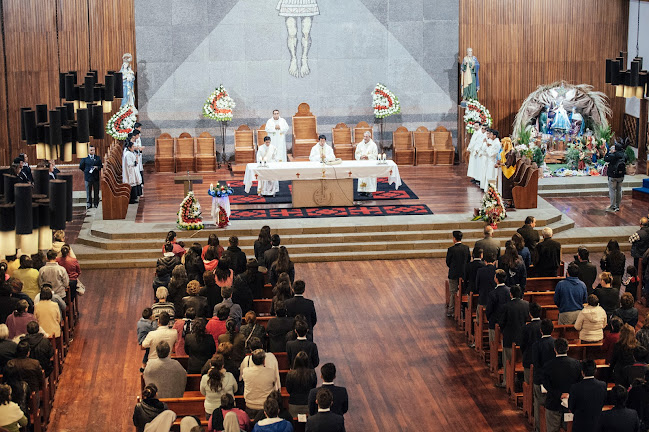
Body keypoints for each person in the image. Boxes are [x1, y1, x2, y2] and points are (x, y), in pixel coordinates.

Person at [541, 338, 582, 432]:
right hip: (570, 403)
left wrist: (559, 394)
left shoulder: (548, 365)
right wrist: (568, 394)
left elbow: (546, 385)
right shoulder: (576, 364)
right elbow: (579, 383)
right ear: (567, 348)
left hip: (553, 403)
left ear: (554, 349)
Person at [498, 285, 529, 388]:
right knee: (521, 360)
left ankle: (507, 382)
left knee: (507, 361)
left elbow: (501, 322)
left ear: (510, 294)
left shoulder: (506, 306)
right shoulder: (526, 304)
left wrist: (504, 331)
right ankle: (520, 381)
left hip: (509, 338)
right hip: (523, 339)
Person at [567, 359, 608, 432]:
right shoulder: (603, 385)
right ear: (595, 370)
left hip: (580, 425)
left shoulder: (575, 388)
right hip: (596, 424)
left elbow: (571, 407)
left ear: (582, 372)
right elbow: (603, 402)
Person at [531, 319, 555, 432]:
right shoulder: (556, 343)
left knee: (538, 403)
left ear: (541, 331)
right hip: (553, 380)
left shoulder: (537, 345)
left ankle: (539, 427)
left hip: (540, 379)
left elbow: (536, 363)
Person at [4, 341, 44, 406]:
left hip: (15, 395)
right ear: (28, 352)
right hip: (32, 393)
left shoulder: (10, 363)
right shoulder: (35, 363)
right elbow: (41, 379)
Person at [242, 349, 279, 418]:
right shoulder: (271, 372)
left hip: (251, 405)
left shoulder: (246, 371)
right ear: (264, 361)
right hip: (265, 406)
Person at [201, 354, 238, 420]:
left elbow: (203, 392)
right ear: (223, 365)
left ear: (210, 365)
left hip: (211, 409)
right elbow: (235, 389)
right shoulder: (230, 376)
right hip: (228, 409)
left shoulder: (204, 378)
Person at [445, 230, 470, 317]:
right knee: (463, 292)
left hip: (453, 274)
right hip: (463, 274)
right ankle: (463, 308)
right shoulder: (466, 248)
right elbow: (468, 260)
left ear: (454, 239)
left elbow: (448, 262)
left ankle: (451, 310)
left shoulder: (451, 249)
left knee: (453, 292)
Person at [286, 351, 317, 417]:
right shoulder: (312, 373)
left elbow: (288, 389)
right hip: (308, 403)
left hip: (294, 403)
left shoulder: (290, 374)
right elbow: (313, 388)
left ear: (295, 361)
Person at [485, 269, 510, 344]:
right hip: (507, 323)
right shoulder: (510, 291)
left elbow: (489, 309)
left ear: (496, 279)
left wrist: (489, 319)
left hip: (494, 322)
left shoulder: (493, 293)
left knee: (493, 344)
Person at [520, 302, 542, 383]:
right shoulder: (545, 325)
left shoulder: (526, 328)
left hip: (529, 358)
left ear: (530, 314)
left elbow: (522, 344)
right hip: (542, 360)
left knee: (528, 382)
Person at [355, 131, 379, 197]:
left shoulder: (373, 145)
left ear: (369, 137)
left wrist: (368, 156)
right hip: (362, 163)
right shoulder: (360, 144)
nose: (365, 138)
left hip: (370, 164)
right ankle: (361, 190)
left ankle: (369, 191)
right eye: (364, 136)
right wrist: (360, 156)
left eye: (366, 136)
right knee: (362, 177)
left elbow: (375, 155)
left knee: (369, 177)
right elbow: (356, 153)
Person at [78, 144, 103, 209]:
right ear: (88, 151)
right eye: (91, 150)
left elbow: (101, 166)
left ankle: (96, 203)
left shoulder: (97, 158)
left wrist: (97, 167)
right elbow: (81, 166)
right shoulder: (84, 158)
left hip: (95, 177)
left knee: (96, 191)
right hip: (88, 177)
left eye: (93, 150)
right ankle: (89, 203)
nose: (93, 151)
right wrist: (86, 171)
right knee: (88, 191)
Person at [604, 142, 626, 212]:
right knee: (619, 190)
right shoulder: (624, 155)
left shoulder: (613, 155)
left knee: (612, 190)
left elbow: (605, 159)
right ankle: (617, 206)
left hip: (613, 175)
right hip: (621, 175)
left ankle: (612, 206)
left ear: (615, 149)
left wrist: (609, 152)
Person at [496, 137, 517, 206]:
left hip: (510, 172)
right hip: (504, 171)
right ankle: (505, 200)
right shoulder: (506, 151)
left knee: (508, 187)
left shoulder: (511, 152)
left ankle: (509, 202)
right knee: (504, 187)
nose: (502, 145)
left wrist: (500, 164)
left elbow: (508, 164)